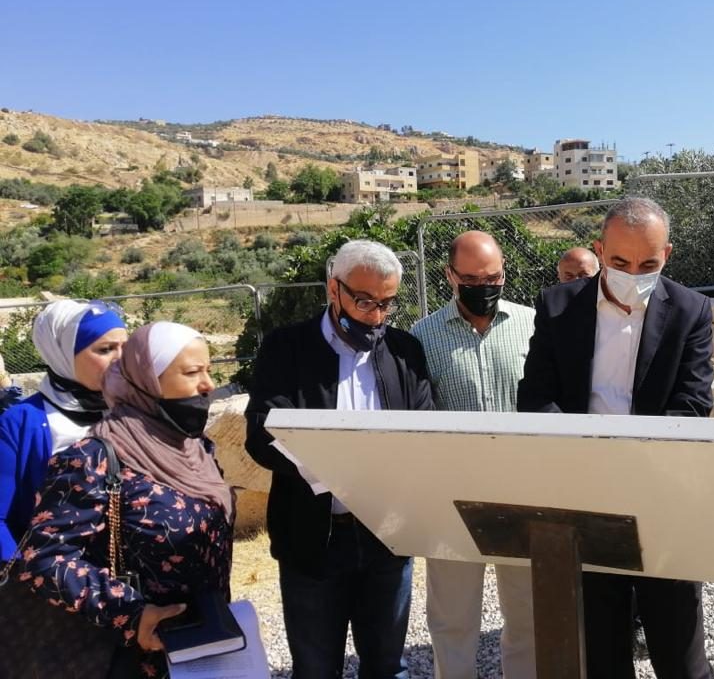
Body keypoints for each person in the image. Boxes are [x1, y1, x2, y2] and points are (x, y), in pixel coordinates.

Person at [518, 196, 714, 679]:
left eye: (648, 264)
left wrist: (634, 463)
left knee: (680, 652)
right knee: (601, 649)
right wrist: (584, 459)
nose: (633, 274)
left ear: (667, 254)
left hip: (662, 495)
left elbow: (691, 404)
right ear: (599, 250)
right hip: (584, 496)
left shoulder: (689, 310)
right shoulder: (558, 306)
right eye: (621, 262)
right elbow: (536, 396)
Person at [245, 239, 433, 679]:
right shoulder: (286, 348)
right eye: (365, 301)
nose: (376, 316)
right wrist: (329, 467)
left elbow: (425, 432)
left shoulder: (405, 350)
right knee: (315, 669)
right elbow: (261, 435)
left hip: (386, 538)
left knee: (388, 667)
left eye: (387, 303)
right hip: (312, 539)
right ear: (334, 289)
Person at [20, 321, 231, 678]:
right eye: (192, 372)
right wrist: (131, 613)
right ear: (147, 380)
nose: (208, 385)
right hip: (134, 654)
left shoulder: (196, 450)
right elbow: (43, 557)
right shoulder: (93, 459)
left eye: (209, 370)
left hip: (208, 642)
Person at [411, 230, 536, 679]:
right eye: (471, 280)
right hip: (453, 497)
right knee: (452, 618)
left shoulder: (532, 325)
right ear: (450, 276)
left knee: (527, 614)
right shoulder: (422, 336)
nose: (484, 287)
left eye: (493, 278)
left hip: (522, 494)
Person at [0, 299, 127, 561]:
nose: (120, 359)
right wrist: (25, 572)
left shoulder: (136, 410)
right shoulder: (23, 422)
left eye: (126, 347)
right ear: (63, 354)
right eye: (106, 349)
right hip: (54, 576)